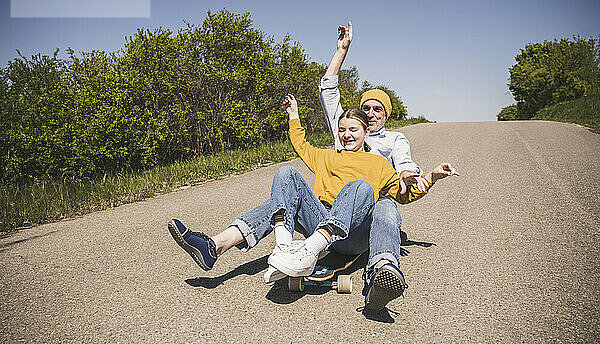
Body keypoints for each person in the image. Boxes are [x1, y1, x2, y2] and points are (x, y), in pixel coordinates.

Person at [168, 94, 458, 311]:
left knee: (360, 189)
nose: (346, 135)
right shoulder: (328, 156)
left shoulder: (379, 164)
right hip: (321, 222)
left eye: (353, 130)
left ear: (366, 132)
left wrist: (431, 177)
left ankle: (311, 250)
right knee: (286, 174)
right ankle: (225, 246)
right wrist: (293, 115)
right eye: (342, 130)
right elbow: (300, 146)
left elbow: (404, 196)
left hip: (352, 235)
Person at [318, 21, 430, 298]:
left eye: (377, 109)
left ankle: (383, 270)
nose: (370, 112)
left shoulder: (394, 140)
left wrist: (406, 175)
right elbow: (328, 91)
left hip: (371, 214)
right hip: (339, 211)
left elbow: (404, 162)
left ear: (386, 114)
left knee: (386, 206)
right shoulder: (346, 131)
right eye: (366, 107)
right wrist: (342, 50)